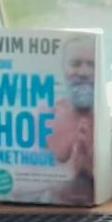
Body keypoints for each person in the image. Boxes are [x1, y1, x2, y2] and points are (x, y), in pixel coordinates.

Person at [44, 36, 97, 203]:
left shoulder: (103, 122)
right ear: (63, 67)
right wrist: (67, 171)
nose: (83, 73)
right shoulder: (46, 116)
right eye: (75, 64)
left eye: (92, 65)